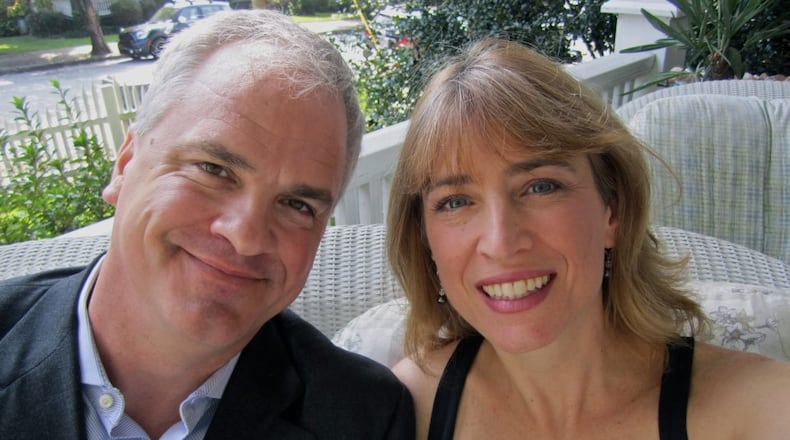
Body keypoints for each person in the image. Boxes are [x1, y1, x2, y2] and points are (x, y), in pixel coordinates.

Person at [0, 10, 413, 439]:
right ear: (125, 165)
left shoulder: (364, 418)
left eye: (297, 204)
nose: (246, 236)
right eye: (214, 169)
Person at [387, 37, 790, 439]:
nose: (501, 243)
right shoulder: (403, 409)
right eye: (456, 202)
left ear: (612, 210)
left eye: (541, 186)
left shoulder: (761, 408)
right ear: (425, 241)